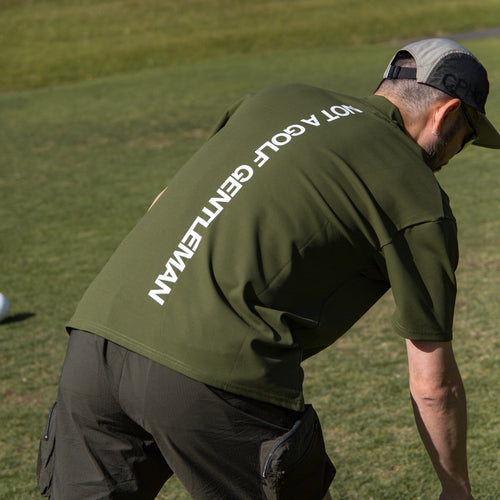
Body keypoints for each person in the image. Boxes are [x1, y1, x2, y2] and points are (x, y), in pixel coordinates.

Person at [37, 38, 500, 499]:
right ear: (447, 113)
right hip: (214, 374)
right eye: (469, 134)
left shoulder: (278, 97)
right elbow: (433, 383)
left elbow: (165, 201)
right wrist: (456, 488)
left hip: (96, 343)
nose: (459, 150)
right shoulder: (418, 194)